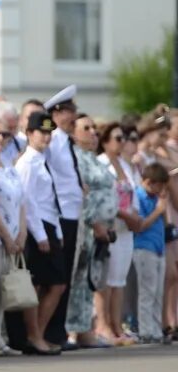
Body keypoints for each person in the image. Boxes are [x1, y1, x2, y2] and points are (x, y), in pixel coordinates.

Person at [65, 114, 117, 347]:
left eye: (94, 128)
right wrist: (94, 223)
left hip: (102, 230)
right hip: (85, 228)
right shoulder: (74, 158)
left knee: (90, 281)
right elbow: (80, 194)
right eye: (86, 128)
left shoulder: (92, 158)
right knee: (78, 279)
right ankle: (71, 329)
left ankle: (85, 328)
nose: (93, 132)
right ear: (74, 133)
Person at [14, 111, 64, 355]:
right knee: (38, 284)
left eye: (49, 133)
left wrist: (57, 231)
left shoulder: (42, 159)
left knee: (54, 283)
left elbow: (47, 199)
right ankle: (34, 335)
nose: (46, 137)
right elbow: (27, 201)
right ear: (29, 133)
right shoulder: (27, 162)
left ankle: (38, 333)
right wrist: (41, 235)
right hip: (37, 228)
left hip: (49, 224)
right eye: (41, 132)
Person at [43, 86, 83, 348]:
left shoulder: (67, 142)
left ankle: (58, 331)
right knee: (57, 277)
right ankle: (51, 331)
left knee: (66, 276)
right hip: (60, 216)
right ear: (57, 113)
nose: (73, 117)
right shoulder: (53, 140)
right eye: (69, 111)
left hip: (72, 214)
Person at [0, 117, 26, 356]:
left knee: (2, 289)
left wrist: (20, 233)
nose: (0, 138)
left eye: (5, 135)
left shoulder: (9, 164)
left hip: (12, 234)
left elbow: (20, 202)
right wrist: (7, 236)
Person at [97, 123, 138, 343]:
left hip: (126, 230)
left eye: (123, 138)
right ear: (105, 141)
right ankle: (103, 325)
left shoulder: (124, 163)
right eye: (117, 138)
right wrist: (127, 216)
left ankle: (116, 326)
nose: (122, 142)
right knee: (107, 281)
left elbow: (134, 193)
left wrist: (135, 217)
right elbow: (105, 198)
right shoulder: (101, 163)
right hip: (111, 226)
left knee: (119, 280)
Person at [130, 163, 171, 343]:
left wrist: (163, 208)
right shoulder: (139, 196)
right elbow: (140, 226)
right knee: (148, 291)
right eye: (159, 185)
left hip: (158, 247)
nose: (161, 189)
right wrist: (158, 211)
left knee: (158, 292)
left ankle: (156, 329)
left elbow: (166, 222)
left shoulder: (157, 199)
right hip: (143, 247)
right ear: (149, 182)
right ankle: (146, 329)